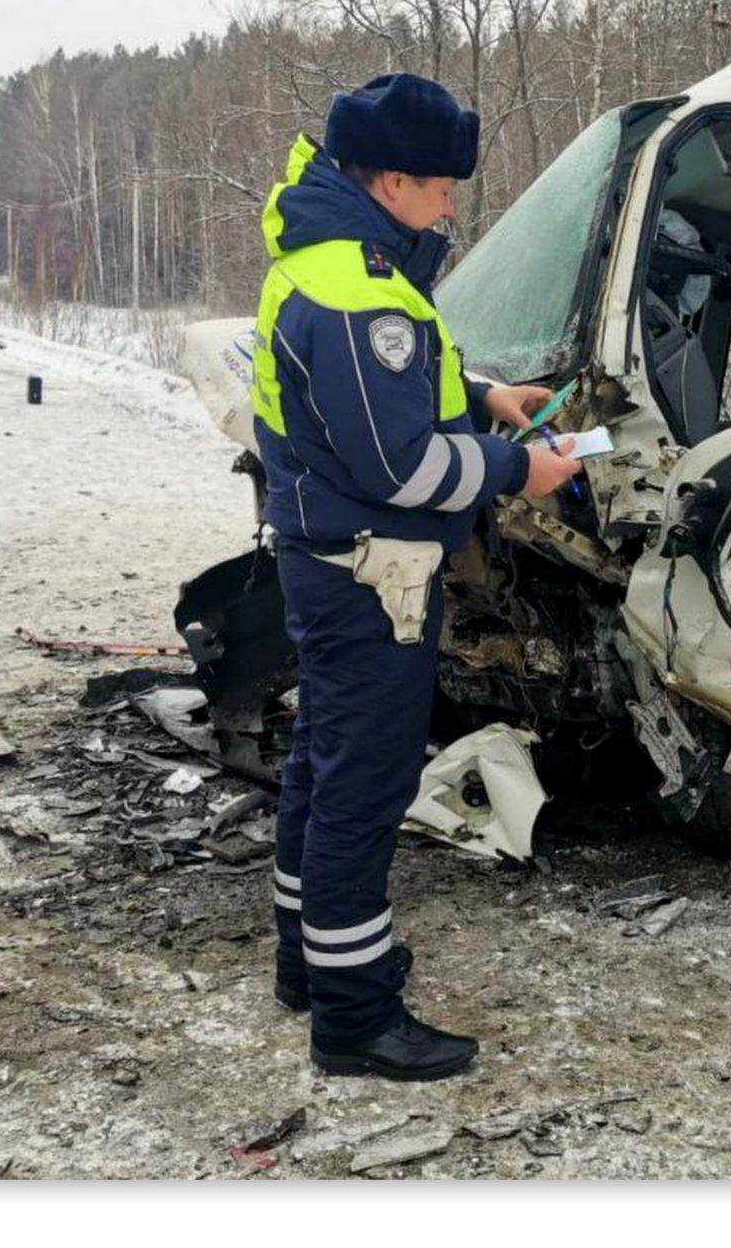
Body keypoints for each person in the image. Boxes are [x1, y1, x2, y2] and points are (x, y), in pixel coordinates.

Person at [251, 72, 583, 1082]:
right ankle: (354, 1016)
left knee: (324, 757)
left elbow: (391, 399)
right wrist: (517, 465)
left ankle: (310, 961)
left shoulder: (343, 266)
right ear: (389, 178)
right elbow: (400, 465)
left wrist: (485, 396)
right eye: (440, 187)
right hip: (371, 573)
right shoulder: (356, 294)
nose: (451, 204)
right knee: (365, 782)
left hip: (332, 559)